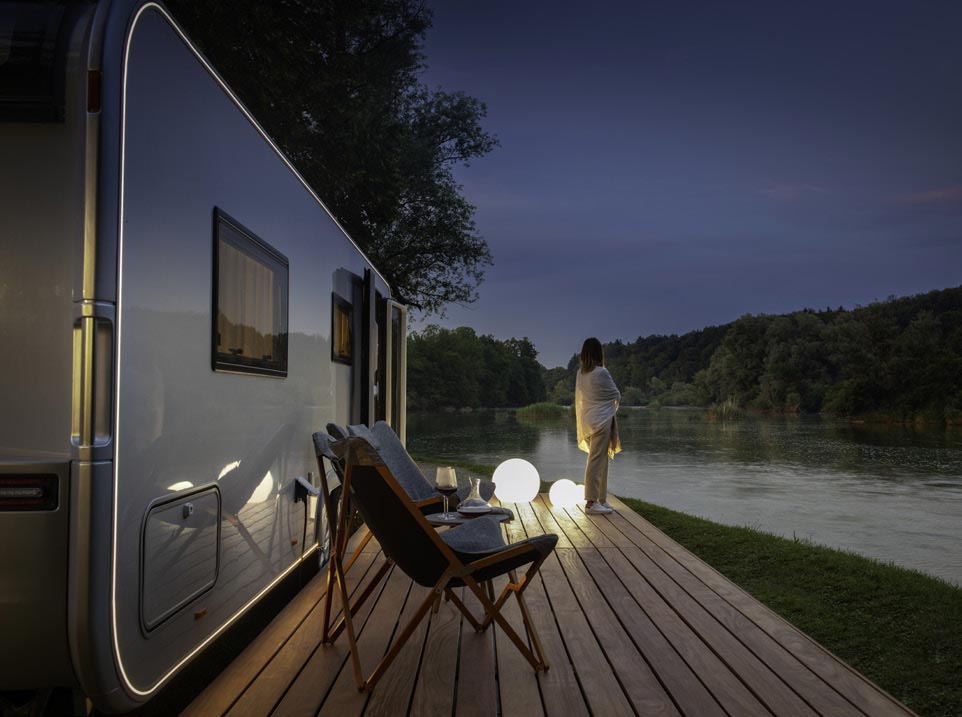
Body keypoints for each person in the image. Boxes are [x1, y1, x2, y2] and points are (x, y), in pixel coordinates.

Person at [575, 337, 621, 514]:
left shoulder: (581, 373)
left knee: (601, 459)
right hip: (601, 421)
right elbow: (615, 394)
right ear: (599, 353)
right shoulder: (601, 372)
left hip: (588, 420)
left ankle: (601, 499)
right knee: (596, 461)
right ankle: (591, 502)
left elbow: (583, 398)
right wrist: (606, 406)